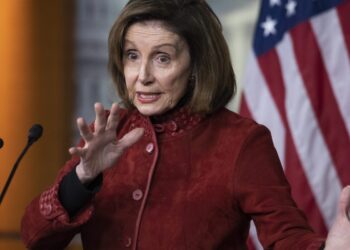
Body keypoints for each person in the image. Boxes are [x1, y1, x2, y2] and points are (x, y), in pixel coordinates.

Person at [21, 0, 350, 249]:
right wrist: (82, 178)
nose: (143, 76)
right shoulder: (110, 133)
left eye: (162, 58)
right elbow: (34, 238)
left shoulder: (241, 141)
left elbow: (286, 238)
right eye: (132, 55)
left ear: (197, 65)